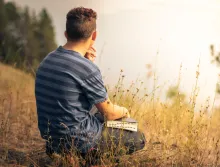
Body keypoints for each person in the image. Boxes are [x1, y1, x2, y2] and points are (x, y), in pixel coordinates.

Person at [35, 7, 145, 165]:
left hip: (52, 137)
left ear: (66, 34)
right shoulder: (87, 68)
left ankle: (62, 150)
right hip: (78, 139)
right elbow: (109, 113)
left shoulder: (48, 60)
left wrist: (86, 64)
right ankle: (88, 155)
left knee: (97, 114)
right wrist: (124, 111)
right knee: (138, 137)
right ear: (94, 35)